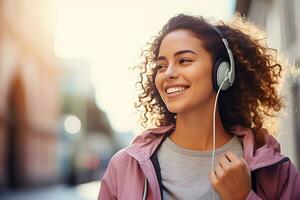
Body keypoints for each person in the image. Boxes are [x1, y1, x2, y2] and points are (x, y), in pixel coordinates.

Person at [98, 14, 300, 200]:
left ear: (223, 72)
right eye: (161, 65)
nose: (168, 73)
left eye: (184, 60)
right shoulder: (125, 166)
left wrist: (244, 196)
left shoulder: (276, 171)